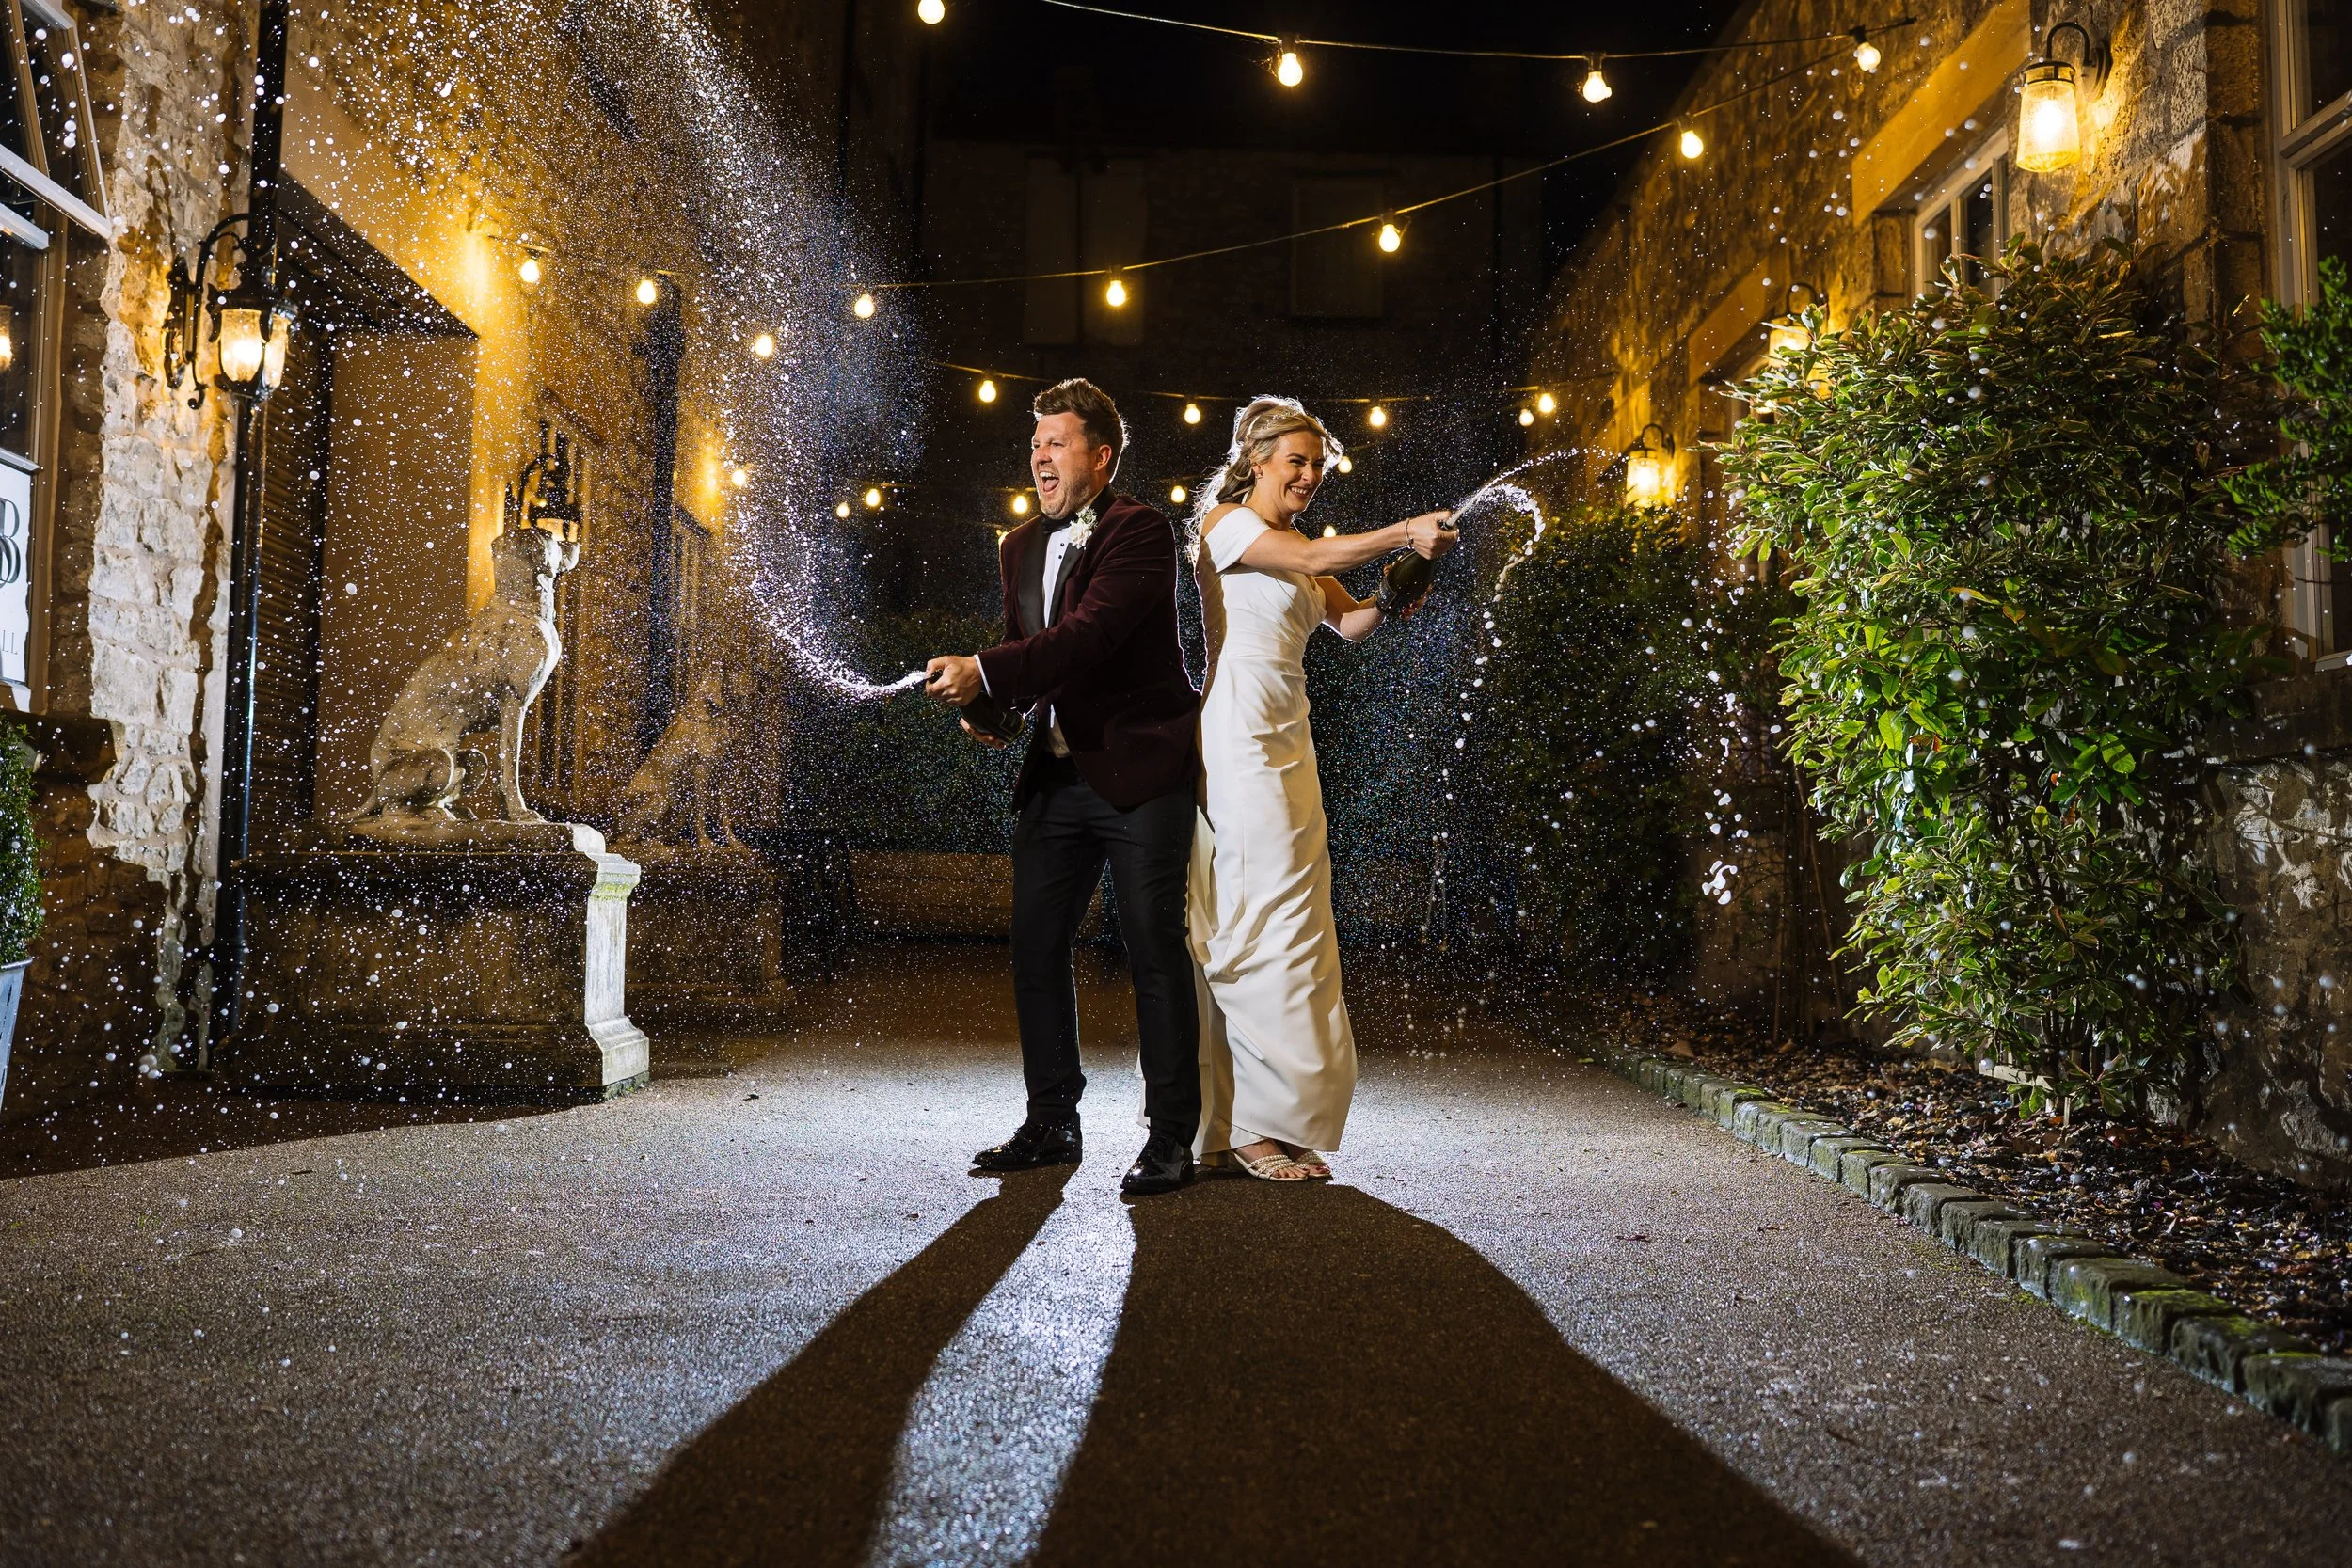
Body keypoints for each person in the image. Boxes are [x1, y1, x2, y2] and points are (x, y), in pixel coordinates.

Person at [926, 379, 1205, 1197]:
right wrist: (990, 709)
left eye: (1056, 441)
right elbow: (1031, 653)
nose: (1040, 455)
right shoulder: (1017, 544)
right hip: (1055, 776)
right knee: (1035, 945)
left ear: (1101, 455)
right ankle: (1052, 1120)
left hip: (1141, 772)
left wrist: (986, 669)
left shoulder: (1141, 530)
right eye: (1035, 443)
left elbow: (1089, 637)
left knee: (1153, 949)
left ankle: (1171, 1138)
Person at [1188, 397, 1455, 1181]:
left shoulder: (1302, 548)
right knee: (1257, 913)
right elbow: (1317, 559)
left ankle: (1279, 1114)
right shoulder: (1226, 525)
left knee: (1301, 920)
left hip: (1290, 740)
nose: (1309, 475)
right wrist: (1403, 531)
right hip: (1236, 737)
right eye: (1296, 461)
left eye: (1317, 465)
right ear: (1257, 460)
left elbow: (1352, 623)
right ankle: (1247, 1124)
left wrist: (1400, 589)